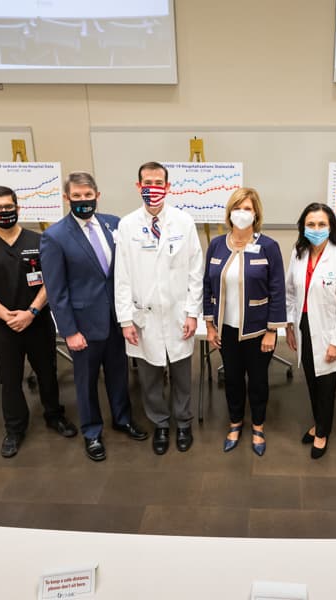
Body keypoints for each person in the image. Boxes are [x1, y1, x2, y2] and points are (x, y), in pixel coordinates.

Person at [40, 171, 148, 462]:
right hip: (83, 325)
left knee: (118, 373)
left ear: (97, 195)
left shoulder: (115, 224)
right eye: (76, 196)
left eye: (88, 196)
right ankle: (92, 432)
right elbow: (56, 290)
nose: (83, 201)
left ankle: (122, 418)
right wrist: (69, 331)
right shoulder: (54, 236)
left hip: (117, 318)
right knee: (86, 381)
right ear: (67, 198)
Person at [0, 185, 78, 458]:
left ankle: (54, 415)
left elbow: (53, 280)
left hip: (37, 321)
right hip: (3, 327)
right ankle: (15, 429)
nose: (4, 212)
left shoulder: (40, 240)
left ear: (18, 207)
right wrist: (7, 316)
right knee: (9, 378)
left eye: (8, 207)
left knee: (47, 372)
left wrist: (32, 312)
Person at [115, 162, 203, 455]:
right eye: (147, 182)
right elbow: (122, 277)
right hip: (144, 317)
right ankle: (161, 424)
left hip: (179, 314)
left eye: (158, 182)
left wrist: (192, 312)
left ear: (167, 186)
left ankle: (184, 422)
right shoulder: (127, 225)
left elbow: (195, 271)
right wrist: (125, 319)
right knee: (149, 377)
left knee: (181, 375)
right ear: (138, 186)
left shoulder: (183, 222)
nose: (153, 187)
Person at [203, 188, 287, 456]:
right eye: (238, 208)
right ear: (229, 212)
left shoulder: (269, 247)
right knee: (233, 379)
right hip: (226, 330)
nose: (242, 213)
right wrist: (210, 325)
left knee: (259, 381)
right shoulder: (216, 245)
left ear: (256, 214)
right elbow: (207, 286)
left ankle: (259, 426)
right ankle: (235, 422)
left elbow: (278, 290)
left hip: (258, 331)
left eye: (248, 208)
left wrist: (272, 331)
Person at [285, 202, 336, 459]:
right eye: (311, 224)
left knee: (326, 385)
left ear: (331, 227)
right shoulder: (298, 253)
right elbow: (290, 292)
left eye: (322, 224)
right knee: (312, 382)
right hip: (303, 325)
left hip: (328, 329)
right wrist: (289, 326)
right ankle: (318, 422)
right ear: (303, 227)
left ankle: (323, 432)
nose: (316, 229)